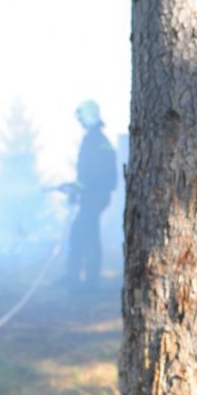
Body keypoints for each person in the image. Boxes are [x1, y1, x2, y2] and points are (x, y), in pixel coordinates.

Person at [62, 99, 117, 290]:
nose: (80, 123)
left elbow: (89, 173)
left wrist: (76, 188)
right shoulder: (99, 139)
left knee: (86, 235)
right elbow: (90, 174)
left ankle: (89, 281)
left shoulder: (93, 140)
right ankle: (74, 277)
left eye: (81, 119)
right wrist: (73, 187)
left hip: (94, 196)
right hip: (95, 195)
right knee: (81, 233)